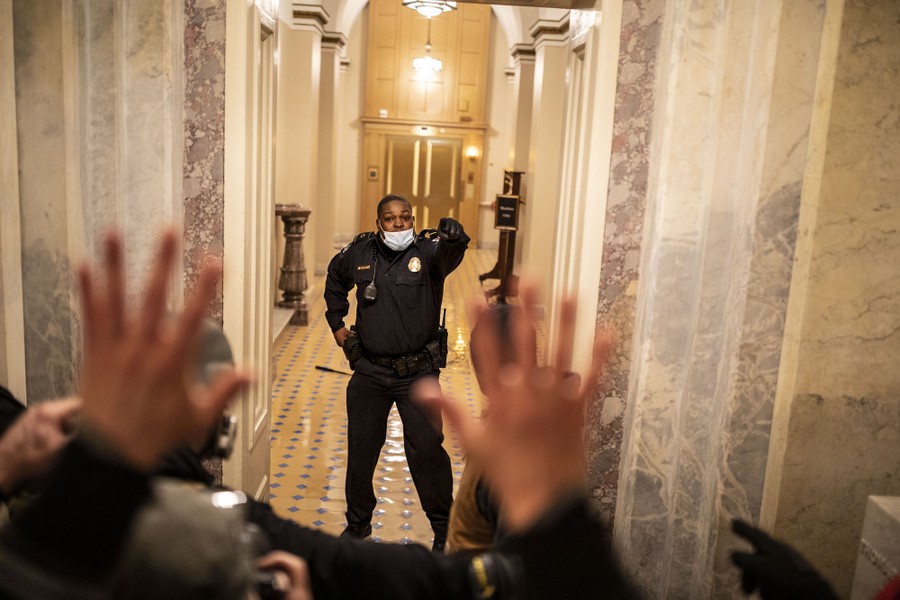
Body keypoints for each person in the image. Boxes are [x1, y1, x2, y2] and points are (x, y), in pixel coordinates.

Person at [324, 193, 469, 551]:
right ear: (379, 224)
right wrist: (338, 326)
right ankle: (358, 526)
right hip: (370, 373)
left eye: (405, 217)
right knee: (361, 452)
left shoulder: (428, 252)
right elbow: (334, 278)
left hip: (417, 373)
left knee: (427, 453)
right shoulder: (360, 253)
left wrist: (455, 237)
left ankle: (443, 528)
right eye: (390, 219)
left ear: (413, 220)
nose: (399, 224)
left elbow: (450, 255)